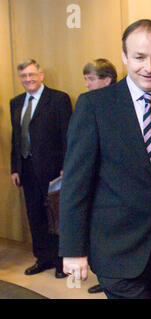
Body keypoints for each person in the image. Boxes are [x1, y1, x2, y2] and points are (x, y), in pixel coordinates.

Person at [59, 19, 151, 299]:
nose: (148, 68)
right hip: (117, 252)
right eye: (139, 57)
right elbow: (76, 184)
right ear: (124, 56)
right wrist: (73, 249)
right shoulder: (94, 107)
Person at [10, 59, 72, 278]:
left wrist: (66, 166)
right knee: (34, 215)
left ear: (41, 75)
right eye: (24, 76)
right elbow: (16, 139)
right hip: (26, 170)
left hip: (53, 170)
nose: (28, 80)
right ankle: (43, 258)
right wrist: (14, 168)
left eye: (31, 75)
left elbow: (68, 135)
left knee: (55, 217)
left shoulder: (58, 99)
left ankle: (61, 262)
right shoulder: (16, 102)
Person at [81, 58, 117, 294]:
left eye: (91, 79)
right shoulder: (88, 105)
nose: (87, 85)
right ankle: (105, 276)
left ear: (107, 79)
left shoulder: (119, 107)